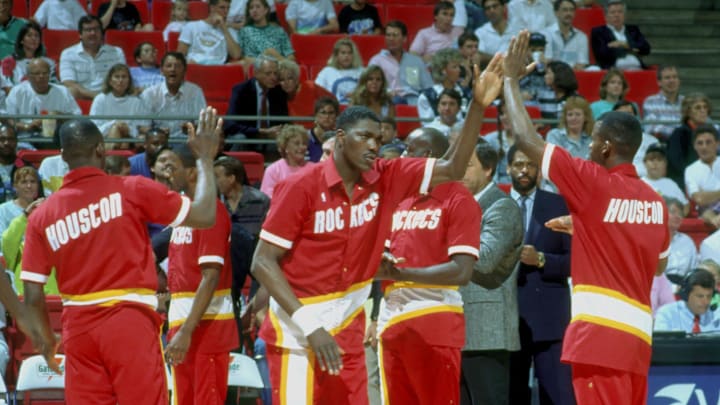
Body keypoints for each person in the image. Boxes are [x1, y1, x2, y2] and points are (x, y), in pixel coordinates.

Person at [249, 55, 503, 404]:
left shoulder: (386, 176)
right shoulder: (301, 186)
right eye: (364, 137)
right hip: (299, 334)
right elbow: (262, 261)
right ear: (339, 137)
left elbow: (455, 166)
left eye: (377, 138)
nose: (373, 144)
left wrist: (477, 105)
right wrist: (311, 325)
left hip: (349, 331)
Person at [503, 30, 670, 405]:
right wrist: (588, 228)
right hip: (638, 342)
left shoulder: (593, 183)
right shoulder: (655, 202)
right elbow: (659, 266)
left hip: (599, 339)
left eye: (594, 140)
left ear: (608, 147)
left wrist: (510, 81)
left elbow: (527, 140)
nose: (590, 146)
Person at [20, 107, 223, 403]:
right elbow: (205, 214)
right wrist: (204, 158)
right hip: (129, 319)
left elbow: (33, 295)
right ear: (101, 149)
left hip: (77, 327)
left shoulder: (42, 215)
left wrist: (46, 340)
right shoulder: (131, 189)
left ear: (63, 156)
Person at [375, 128, 481, 405]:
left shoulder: (460, 200)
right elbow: (381, 261)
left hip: (435, 319)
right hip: (391, 320)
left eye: (410, 150)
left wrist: (401, 275)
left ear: (430, 157)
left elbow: (461, 271)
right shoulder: (399, 199)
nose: (403, 156)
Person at [164, 145, 238, 405]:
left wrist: (186, 330)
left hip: (206, 327)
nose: (166, 174)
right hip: (184, 324)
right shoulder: (184, 214)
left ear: (192, 172)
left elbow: (210, 277)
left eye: (172, 167)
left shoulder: (212, 212)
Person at [505, 144, 575, 405]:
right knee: (513, 396)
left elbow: (575, 261)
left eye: (530, 165)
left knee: (559, 396)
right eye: (519, 164)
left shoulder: (559, 204)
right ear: (508, 168)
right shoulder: (495, 205)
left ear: (540, 170)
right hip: (508, 319)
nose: (524, 170)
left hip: (551, 319)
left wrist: (542, 260)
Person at [458, 140, 523, 405]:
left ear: (488, 169)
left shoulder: (501, 207)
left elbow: (484, 260)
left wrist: (443, 240)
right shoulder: (459, 204)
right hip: (456, 327)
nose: (459, 170)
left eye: (468, 164)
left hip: (487, 330)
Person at [6, 58, 82, 138]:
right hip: (26, 138)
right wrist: (28, 126)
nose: (41, 76)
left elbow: (77, 118)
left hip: (57, 138)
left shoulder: (62, 91)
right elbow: (9, 121)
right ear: (28, 76)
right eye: (36, 73)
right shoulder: (17, 92)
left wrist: (60, 116)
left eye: (45, 73)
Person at [141, 52, 207, 138]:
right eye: (169, 66)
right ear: (161, 71)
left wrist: (192, 128)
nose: (173, 69)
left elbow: (203, 124)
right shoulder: (149, 94)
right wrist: (158, 132)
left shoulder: (195, 92)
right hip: (159, 142)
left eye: (178, 66)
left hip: (187, 143)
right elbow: (142, 126)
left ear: (184, 70)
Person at [59, 15, 126, 99]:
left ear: (102, 32)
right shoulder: (68, 54)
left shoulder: (116, 52)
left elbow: (123, 78)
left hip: (110, 97)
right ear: (80, 34)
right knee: (71, 91)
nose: (93, 33)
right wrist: (96, 97)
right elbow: (69, 82)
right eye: (88, 30)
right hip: (82, 97)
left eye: (96, 29)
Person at [368, 20, 433, 106]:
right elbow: (369, 86)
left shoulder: (416, 61)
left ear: (404, 39)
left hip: (414, 102)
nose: (391, 38)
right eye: (388, 35)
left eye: (395, 35)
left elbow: (428, 87)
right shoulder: (376, 61)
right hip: (387, 100)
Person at [224, 55, 288, 139]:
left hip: (270, 137)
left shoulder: (279, 92)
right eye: (268, 73)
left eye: (275, 73)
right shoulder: (241, 90)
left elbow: (283, 121)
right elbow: (230, 124)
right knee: (240, 138)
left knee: (281, 139)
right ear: (256, 73)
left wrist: (277, 131)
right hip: (248, 134)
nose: (273, 78)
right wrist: (260, 131)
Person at [214, 155, 270, 238]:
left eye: (216, 177)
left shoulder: (260, 201)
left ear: (231, 179)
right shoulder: (213, 202)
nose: (213, 181)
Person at [667, 93, 714, 190]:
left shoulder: (712, 133)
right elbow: (677, 163)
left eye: (705, 107)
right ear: (688, 112)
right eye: (698, 108)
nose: (703, 111)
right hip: (686, 183)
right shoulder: (680, 133)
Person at [90, 63, 150, 139]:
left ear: (129, 81)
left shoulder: (136, 101)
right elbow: (94, 128)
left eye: (124, 77)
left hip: (129, 138)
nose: (120, 80)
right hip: (103, 138)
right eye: (117, 77)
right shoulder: (100, 99)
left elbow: (141, 126)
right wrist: (114, 124)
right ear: (110, 81)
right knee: (115, 130)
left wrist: (128, 130)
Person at [654, 269, 720, 333]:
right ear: (686, 295)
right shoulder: (667, 314)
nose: (706, 302)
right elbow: (662, 343)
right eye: (700, 296)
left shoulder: (716, 315)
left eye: (709, 296)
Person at [590, 0, 650, 70]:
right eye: (613, 12)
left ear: (624, 15)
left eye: (620, 12)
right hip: (613, 71)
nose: (617, 15)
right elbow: (601, 54)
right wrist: (632, 49)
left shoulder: (633, 30)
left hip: (637, 68)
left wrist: (624, 45)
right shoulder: (599, 32)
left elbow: (646, 49)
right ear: (606, 16)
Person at [178, 0, 242, 65]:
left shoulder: (229, 31)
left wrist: (224, 28)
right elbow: (180, 55)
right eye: (222, 7)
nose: (226, 11)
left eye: (228, 8)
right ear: (212, 8)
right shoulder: (191, 26)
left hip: (217, 68)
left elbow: (236, 55)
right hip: (195, 66)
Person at [237, 0, 295, 67]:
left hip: (279, 67)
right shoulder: (245, 31)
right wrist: (266, 56)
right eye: (251, 8)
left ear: (266, 10)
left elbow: (290, 55)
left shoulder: (279, 30)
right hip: (257, 66)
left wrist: (278, 59)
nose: (254, 10)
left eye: (258, 7)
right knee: (269, 52)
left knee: (272, 53)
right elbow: (246, 58)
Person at [260, 124, 313, 197]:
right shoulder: (273, 170)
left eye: (304, 143)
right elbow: (267, 199)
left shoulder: (314, 169)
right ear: (285, 147)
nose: (302, 147)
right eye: (297, 144)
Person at [417, 48, 468, 123]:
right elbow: (427, 125)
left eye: (459, 67)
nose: (459, 70)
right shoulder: (426, 97)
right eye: (455, 67)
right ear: (443, 71)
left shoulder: (466, 94)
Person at [684, 125, 720, 226]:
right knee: (706, 212)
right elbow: (699, 199)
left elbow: (704, 197)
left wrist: (707, 194)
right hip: (707, 212)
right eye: (700, 143)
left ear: (717, 144)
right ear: (694, 146)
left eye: (708, 142)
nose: (704, 147)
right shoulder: (690, 170)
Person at [612, 100, 658, 178]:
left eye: (629, 114)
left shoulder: (651, 141)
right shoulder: (607, 142)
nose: (625, 118)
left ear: (636, 117)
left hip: (645, 182)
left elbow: (658, 169)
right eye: (620, 115)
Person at [1, 20, 56, 85]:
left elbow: (53, 85)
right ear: (21, 40)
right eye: (29, 35)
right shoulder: (9, 62)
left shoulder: (48, 63)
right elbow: (6, 86)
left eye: (36, 36)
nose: (34, 38)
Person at [279, 59, 335, 123]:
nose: (286, 83)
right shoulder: (280, 98)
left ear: (296, 78)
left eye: (290, 78)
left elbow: (332, 101)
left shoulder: (310, 87)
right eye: (282, 80)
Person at [315, 38, 364, 104]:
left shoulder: (362, 71)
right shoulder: (327, 72)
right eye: (343, 53)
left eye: (349, 53)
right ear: (336, 55)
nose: (346, 56)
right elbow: (317, 92)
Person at [640, 144, 688, 212]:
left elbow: (686, 205)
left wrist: (677, 219)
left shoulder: (671, 184)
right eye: (651, 159)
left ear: (665, 164)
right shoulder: (638, 184)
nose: (655, 163)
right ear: (644, 163)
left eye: (659, 160)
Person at [542, 0, 588, 70]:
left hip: (573, 75)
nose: (568, 13)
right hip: (553, 74)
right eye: (565, 10)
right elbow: (547, 61)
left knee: (594, 69)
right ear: (556, 13)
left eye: (571, 10)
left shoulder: (581, 37)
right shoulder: (546, 34)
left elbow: (582, 63)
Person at [643, 66, 683, 141]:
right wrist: (680, 133)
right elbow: (652, 128)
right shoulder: (651, 101)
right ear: (659, 82)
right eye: (667, 78)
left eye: (674, 77)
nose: (672, 81)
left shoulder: (686, 101)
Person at [474, 0, 518, 66]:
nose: (492, 11)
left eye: (495, 6)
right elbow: (480, 56)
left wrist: (491, 58)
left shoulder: (517, 31)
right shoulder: (480, 32)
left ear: (504, 8)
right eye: (487, 8)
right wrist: (505, 61)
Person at [663, 196, 698, 280]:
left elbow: (693, 269)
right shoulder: (650, 240)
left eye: (680, 214)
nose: (678, 216)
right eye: (673, 212)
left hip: (683, 285)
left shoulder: (687, 241)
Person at [306, 97, 339, 162]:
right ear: (315, 116)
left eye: (331, 113)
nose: (327, 116)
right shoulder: (305, 137)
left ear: (336, 116)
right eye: (323, 112)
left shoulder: (340, 139)